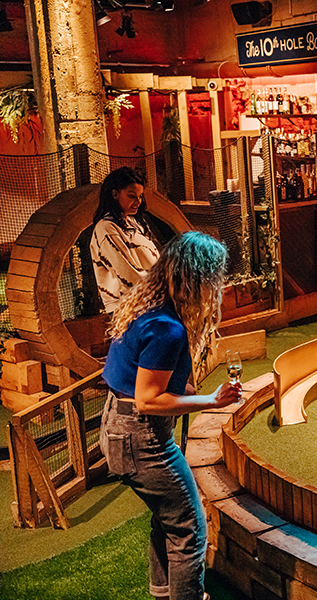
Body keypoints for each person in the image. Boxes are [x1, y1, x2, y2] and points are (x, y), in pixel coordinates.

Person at [99, 231, 242, 600]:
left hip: (116, 427)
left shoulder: (144, 307)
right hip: (142, 439)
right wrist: (211, 401)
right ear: (199, 278)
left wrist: (189, 390)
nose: (218, 285)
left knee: (166, 520)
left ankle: (163, 592)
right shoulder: (167, 328)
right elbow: (149, 400)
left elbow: (135, 379)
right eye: (215, 277)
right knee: (190, 530)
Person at [90, 166, 160, 313]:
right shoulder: (106, 228)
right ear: (115, 194)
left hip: (148, 302)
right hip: (128, 309)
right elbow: (128, 275)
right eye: (132, 196)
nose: (138, 201)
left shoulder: (133, 223)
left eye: (140, 196)